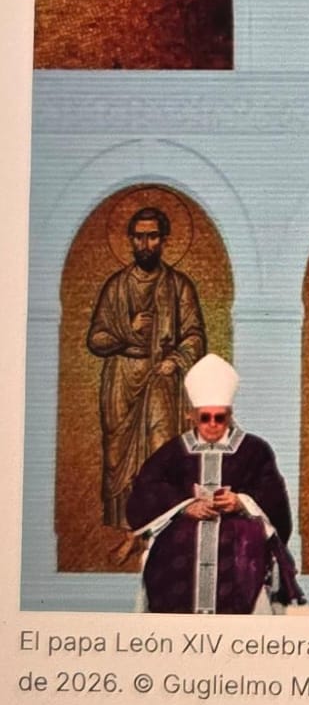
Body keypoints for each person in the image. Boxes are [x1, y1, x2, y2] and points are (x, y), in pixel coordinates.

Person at [126, 354, 304, 614]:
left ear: (229, 416)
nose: (212, 425)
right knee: (169, 551)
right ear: (191, 416)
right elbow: (147, 489)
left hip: (239, 539)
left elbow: (273, 496)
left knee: (246, 550)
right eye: (205, 418)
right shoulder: (174, 451)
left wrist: (241, 501)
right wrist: (185, 506)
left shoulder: (254, 449)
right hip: (182, 540)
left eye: (219, 418)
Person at [86, 204, 208, 562]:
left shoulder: (179, 286)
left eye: (153, 236)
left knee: (160, 453)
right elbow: (96, 340)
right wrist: (128, 330)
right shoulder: (116, 287)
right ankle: (131, 532)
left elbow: (195, 336)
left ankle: (158, 533)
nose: (145, 243)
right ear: (130, 240)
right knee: (118, 459)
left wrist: (176, 360)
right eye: (139, 237)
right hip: (122, 379)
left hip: (160, 380)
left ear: (164, 239)